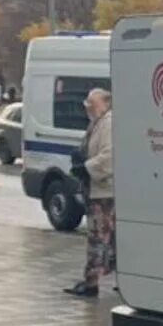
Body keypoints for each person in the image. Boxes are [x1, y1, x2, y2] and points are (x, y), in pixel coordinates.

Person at [65, 88, 115, 298]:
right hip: (99, 189)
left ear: (105, 103)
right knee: (110, 238)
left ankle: (91, 281)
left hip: (104, 191)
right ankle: (119, 279)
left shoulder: (108, 123)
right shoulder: (97, 122)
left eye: (92, 104)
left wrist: (87, 167)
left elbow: (110, 156)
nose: (88, 108)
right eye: (87, 104)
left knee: (98, 237)